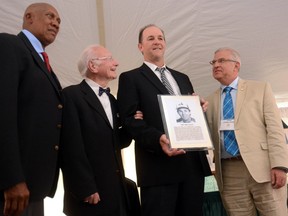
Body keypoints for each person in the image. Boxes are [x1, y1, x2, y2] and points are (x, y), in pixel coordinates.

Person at [117, 24, 211, 216]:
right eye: (150, 38)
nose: (157, 42)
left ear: (165, 44)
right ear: (140, 46)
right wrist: (158, 138)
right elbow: (130, 120)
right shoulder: (130, 78)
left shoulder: (182, 78)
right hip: (158, 168)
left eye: (160, 38)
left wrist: (197, 108)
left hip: (192, 166)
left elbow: (187, 116)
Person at [205, 47, 288, 216]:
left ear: (236, 66)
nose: (216, 65)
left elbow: (275, 129)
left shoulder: (260, 89)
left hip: (264, 169)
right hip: (228, 173)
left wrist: (280, 165)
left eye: (221, 61)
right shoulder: (208, 101)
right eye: (214, 62)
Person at [60, 44, 141, 216]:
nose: (116, 63)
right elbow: (70, 147)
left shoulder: (111, 99)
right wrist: (85, 188)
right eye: (109, 58)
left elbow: (117, 142)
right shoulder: (71, 96)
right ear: (93, 66)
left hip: (116, 193)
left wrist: (131, 124)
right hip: (89, 195)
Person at [0, 3, 62, 216]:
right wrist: (11, 179)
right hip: (13, 189)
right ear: (29, 17)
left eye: (59, 21)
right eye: (50, 16)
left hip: (34, 187)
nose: (55, 23)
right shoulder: (9, 46)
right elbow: (3, 113)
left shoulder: (44, 62)